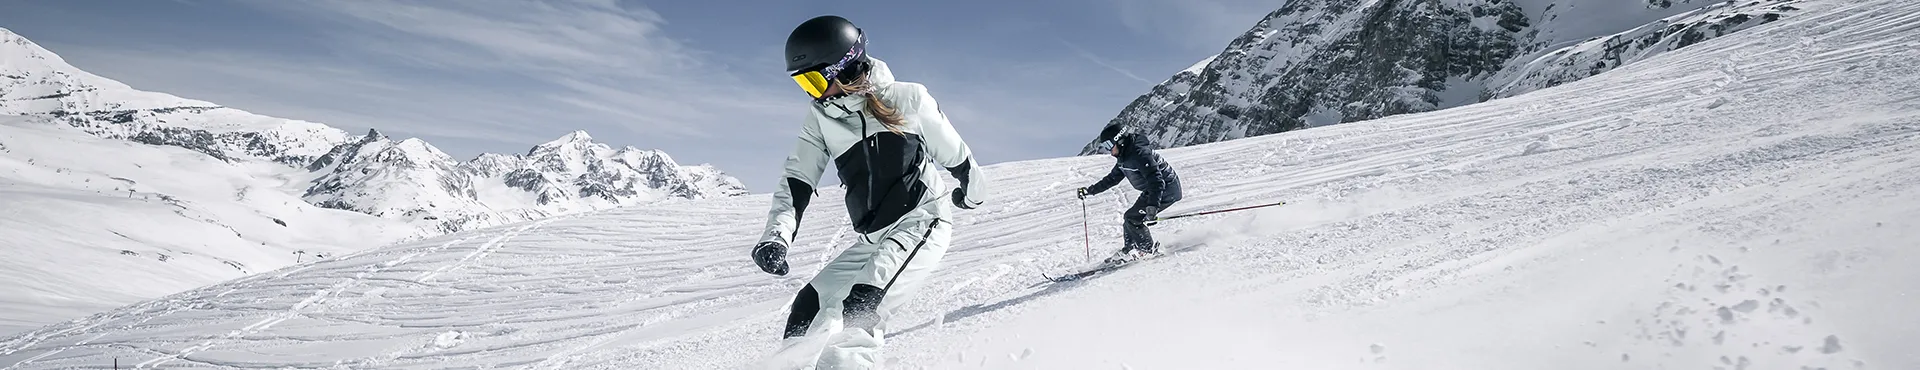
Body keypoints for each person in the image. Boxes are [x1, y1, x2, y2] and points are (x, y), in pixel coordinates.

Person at [749, 15, 988, 369]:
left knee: (863, 305)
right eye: (803, 85)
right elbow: (798, 179)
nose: (813, 95)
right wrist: (777, 237)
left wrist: (972, 195)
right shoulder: (821, 118)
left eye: (815, 81)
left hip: (922, 223)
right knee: (809, 306)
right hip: (872, 238)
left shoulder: (909, 99)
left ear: (844, 67)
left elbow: (958, 156)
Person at [1077, 124, 1181, 263]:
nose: (1108, 150)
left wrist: (1152, 205)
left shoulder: (1139, 153)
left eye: (1109, 145)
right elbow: (1112, 179)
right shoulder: (1124, 156)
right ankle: (1130, 249)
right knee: (1129, 219)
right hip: (1152, 190)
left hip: (1166, 189)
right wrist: (1090, 191)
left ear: (1120, 140)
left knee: (1133, 218)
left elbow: (1156, 180)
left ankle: (1146, 250)